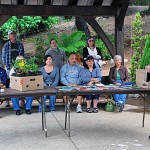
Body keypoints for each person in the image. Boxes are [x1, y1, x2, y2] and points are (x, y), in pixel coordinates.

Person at [2, 30, 24, 107]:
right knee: (8, 83)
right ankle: (7, 100)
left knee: (21, 83)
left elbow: (22, 56)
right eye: (11, 33)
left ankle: (22, 100)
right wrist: (5, 66)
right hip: (9, 67)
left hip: (19, 67)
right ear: (9, 36)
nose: (13, 35)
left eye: (14, 33)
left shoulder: (20, 44)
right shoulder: (6, 45)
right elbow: (3, 56)